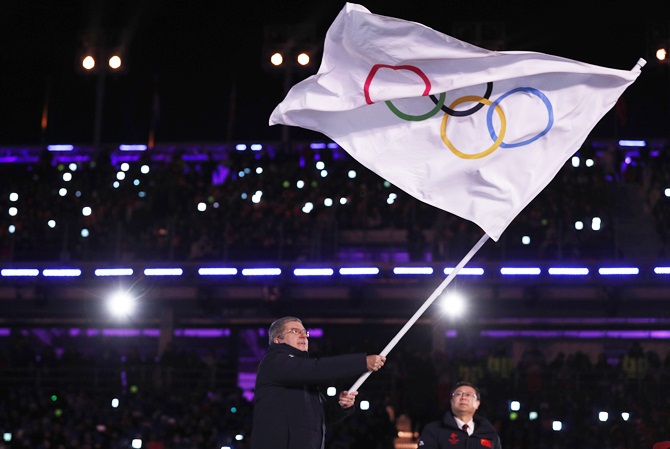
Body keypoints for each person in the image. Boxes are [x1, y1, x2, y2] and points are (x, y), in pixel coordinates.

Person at [250, 316, 387, 449]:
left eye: (305, 332)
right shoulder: (274, 362)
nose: (303, 336)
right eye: (295, 331)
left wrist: (340, 406)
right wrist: (361, 362)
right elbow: (318, 368)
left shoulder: (302, 376)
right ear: (277, 340)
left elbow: (320, 418)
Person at [417, 381, 502, 449]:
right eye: (458, 394)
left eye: (469, 395)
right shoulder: (433, 430)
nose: (463, 397)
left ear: (477, 404)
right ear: (451, 402)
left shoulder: (489, 433)